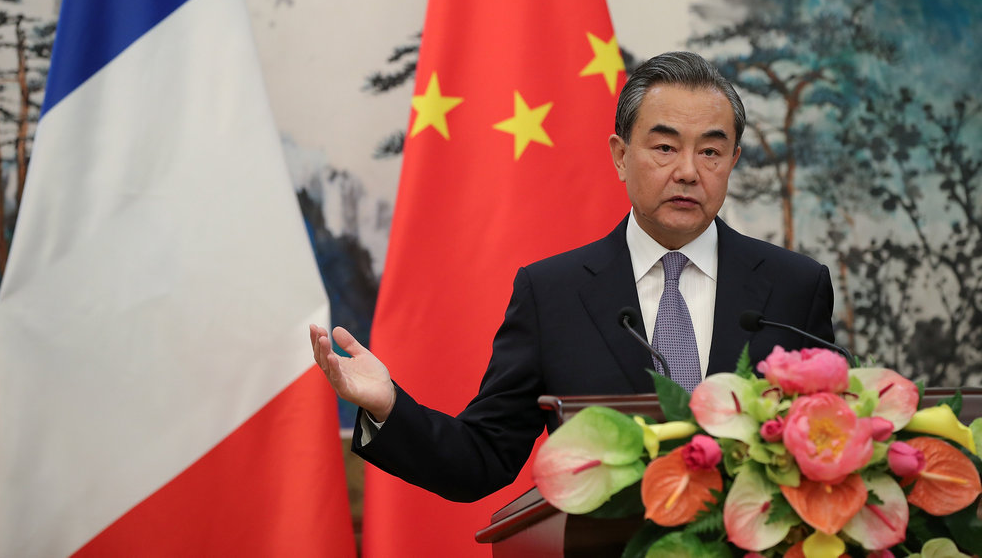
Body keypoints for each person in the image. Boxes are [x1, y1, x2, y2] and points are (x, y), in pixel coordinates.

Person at [310, 51, 835, 503]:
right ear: (621, 156)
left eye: (712, 151)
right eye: (665, 147)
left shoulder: (793, 288)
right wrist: (388, 406)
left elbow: (827, 443)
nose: (689, 171)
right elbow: (482, 458)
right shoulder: (553, 294)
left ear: (733, 161)